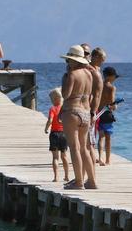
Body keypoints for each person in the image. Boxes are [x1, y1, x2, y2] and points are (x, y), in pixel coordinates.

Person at [60, 46, 95, 189]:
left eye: (68, 60)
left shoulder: (72, 75)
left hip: (72, 112)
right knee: (84, 149)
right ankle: (92, 181)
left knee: (74, 148)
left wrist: (65, 79)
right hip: (85, 113)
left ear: (74, 60)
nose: (67, 63)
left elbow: (65, 95)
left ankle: (79, 182)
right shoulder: (89, 74)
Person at [43, 87, 70, 183]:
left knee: (55, 157)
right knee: (64, 156)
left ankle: (56, 177)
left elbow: (50, 120)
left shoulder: (52, 109)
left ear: (54, 99)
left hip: (54, 133)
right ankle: (67, 176)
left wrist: (46, 128)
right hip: (64, 134)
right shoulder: (65, 109)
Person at [87, 48, 107, 170]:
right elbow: (94, 94)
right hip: (90, 107)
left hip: (95, 108)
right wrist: (93, 111)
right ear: (94, 57)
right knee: (89, 137)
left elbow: (98, 94)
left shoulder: (96, 70)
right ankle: (90, 162)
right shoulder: (90, 70)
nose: (102, 62)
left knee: (92, 135)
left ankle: (92, 159)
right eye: (101, 59)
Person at [96, 66, 119, 165]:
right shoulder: (112, 87)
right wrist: (115, 106)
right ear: (111, 77)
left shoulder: (99, 85)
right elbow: (112, 103)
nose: (115, 79)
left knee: (101, 136)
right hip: (107, 114)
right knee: (108, 138)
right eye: (115, 77)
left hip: (98, 113)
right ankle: (108, 160)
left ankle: (100, 157)